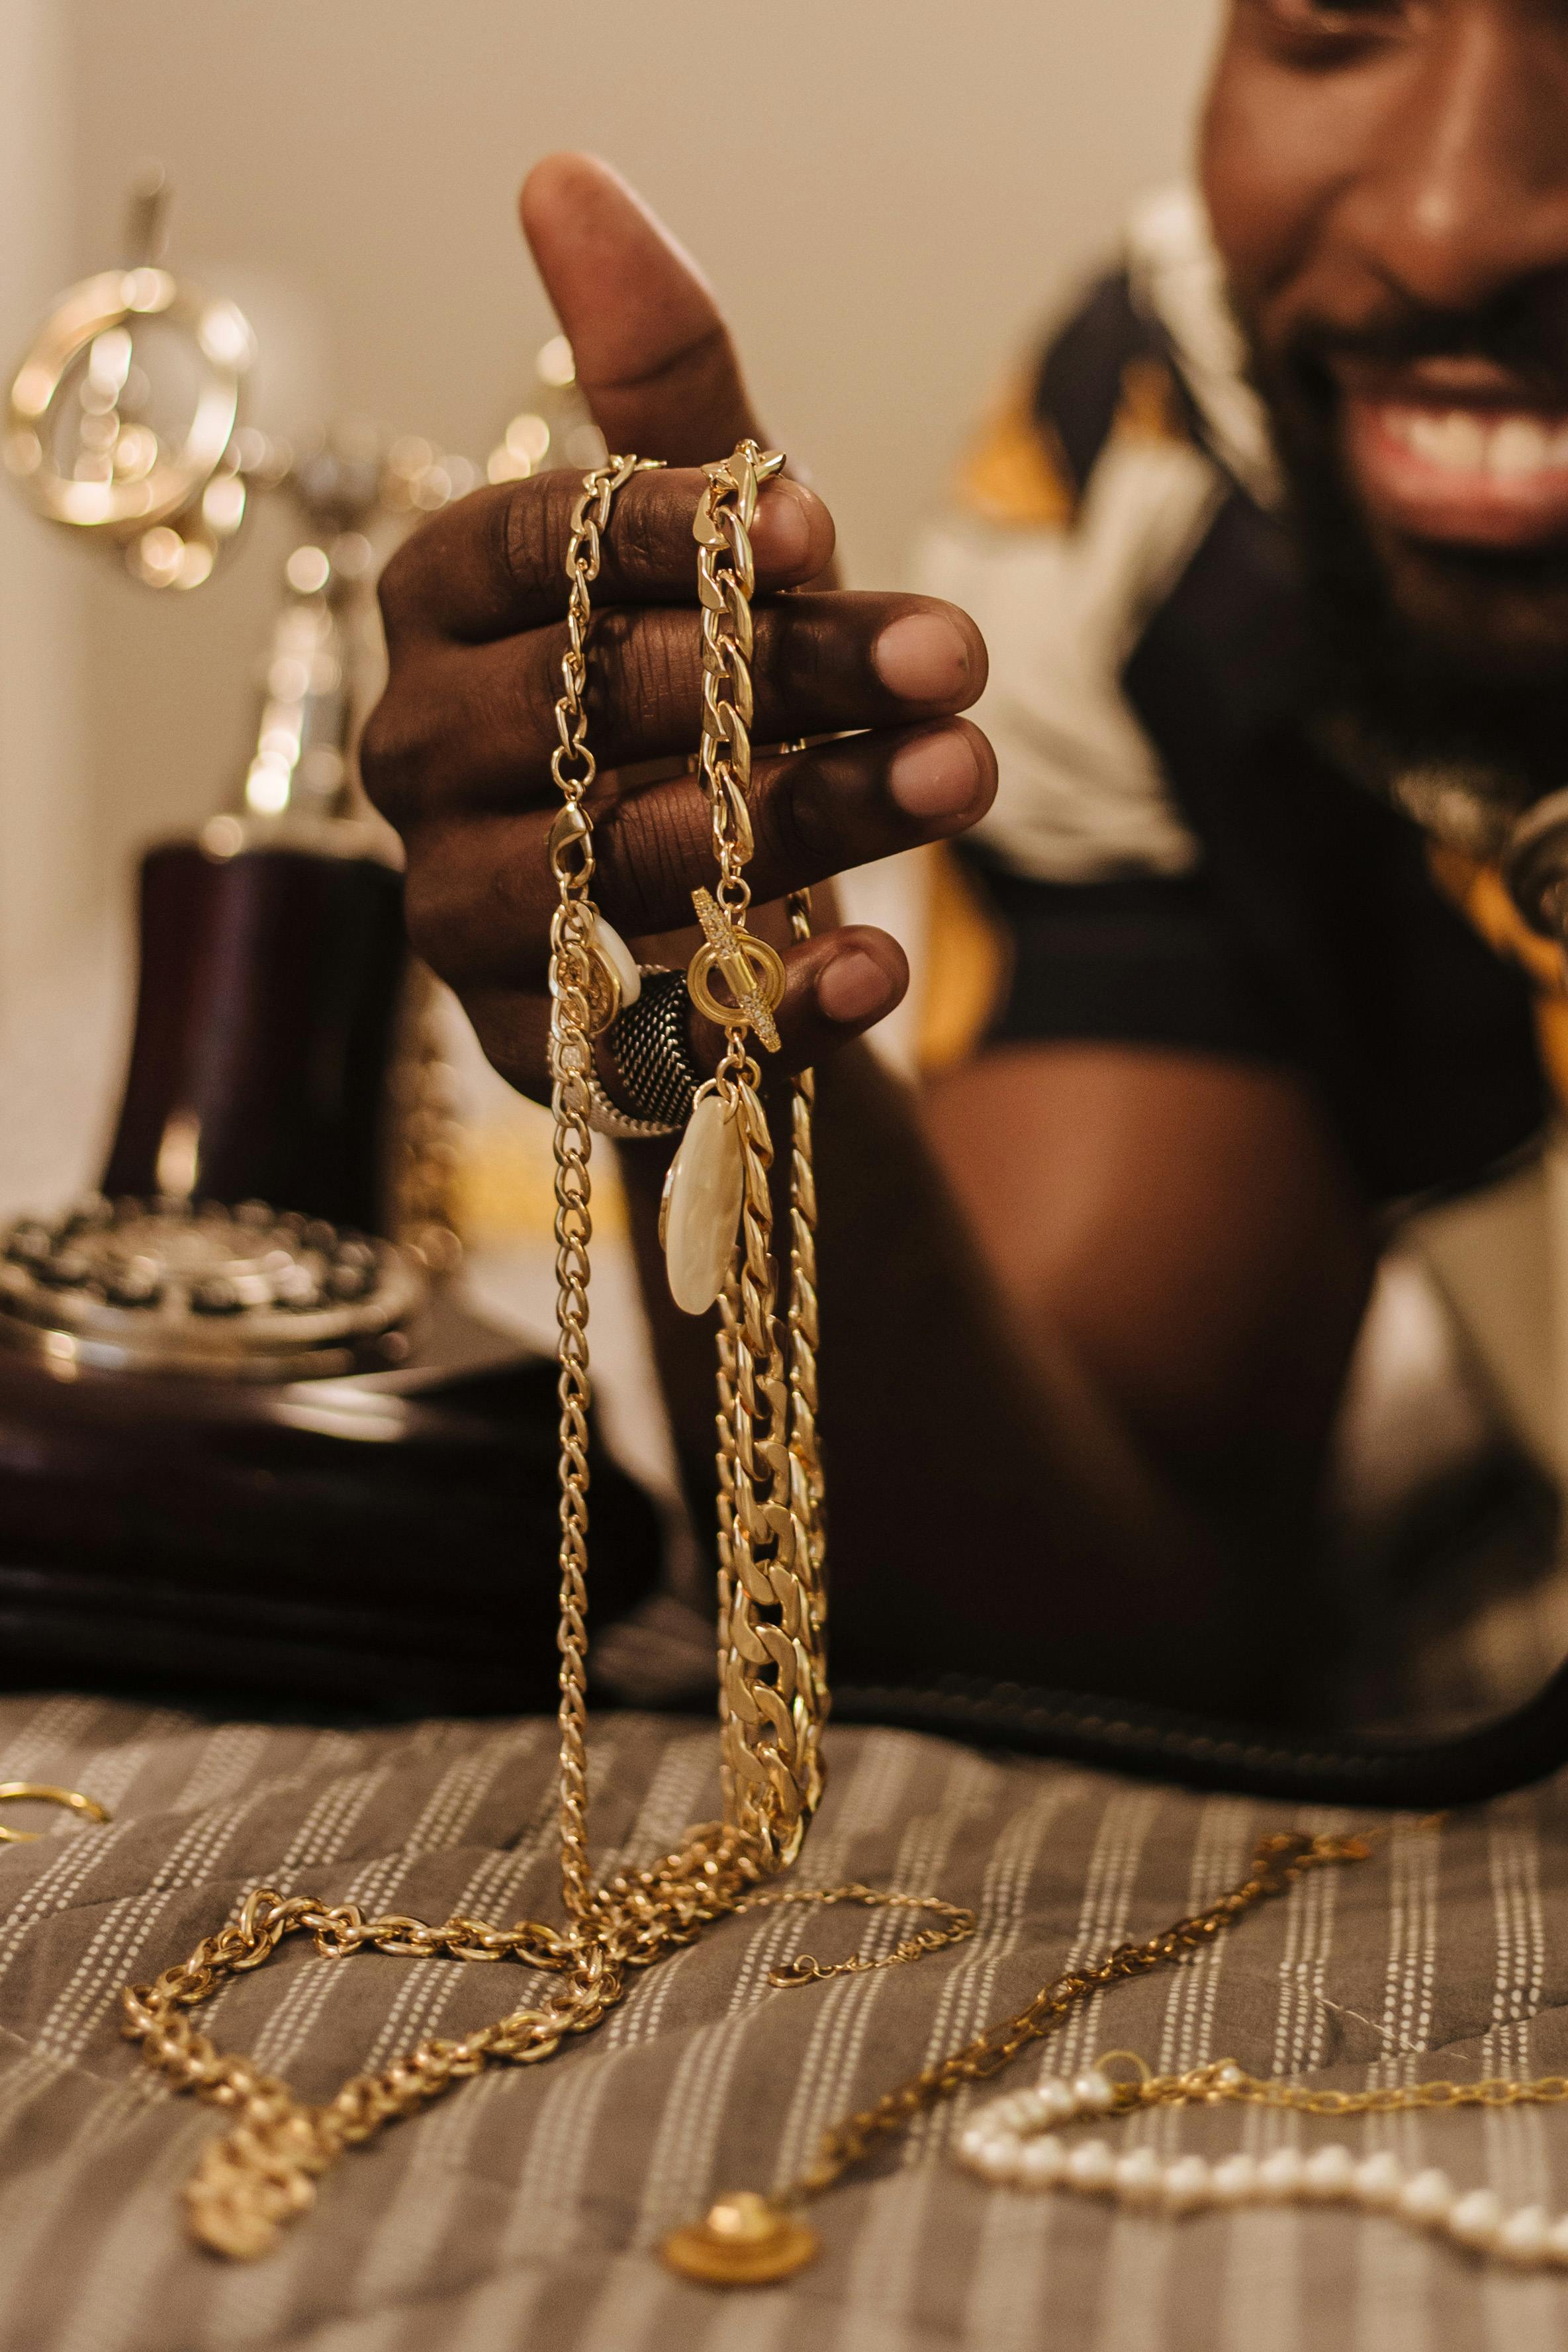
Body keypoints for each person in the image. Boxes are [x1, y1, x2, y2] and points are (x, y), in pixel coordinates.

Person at [362, 0, 1568, 1720]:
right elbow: (1078, 1614)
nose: (1448, 219)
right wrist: (673, 1000)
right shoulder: (1162, 470)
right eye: (1334, 12)